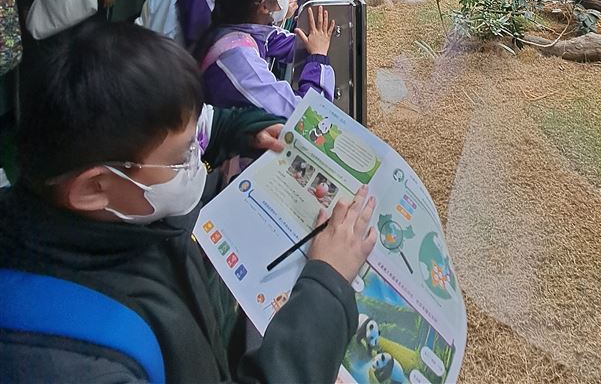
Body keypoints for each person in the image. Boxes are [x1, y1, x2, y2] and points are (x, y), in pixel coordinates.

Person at [0, 20, 375, 383]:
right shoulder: (77, 361)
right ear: (94, 188)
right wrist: (326, 285)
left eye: (196, 142)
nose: (196, 159)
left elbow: (202, 128)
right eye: (182, 156)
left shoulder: (112, 211)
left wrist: (242, 131)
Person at [198, 0, 335, 117]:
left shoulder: (240, 28)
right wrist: (318, 58)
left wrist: (309, 21)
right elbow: (308, 115)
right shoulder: (239, 60)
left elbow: (293, 44)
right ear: (264, 6)